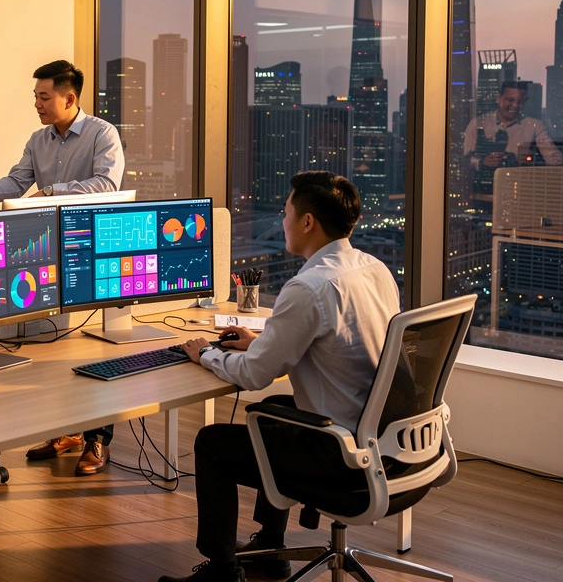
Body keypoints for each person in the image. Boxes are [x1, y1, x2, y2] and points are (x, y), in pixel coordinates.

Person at [158, 171, 401, 582]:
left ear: (307, 222)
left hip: (341, 454)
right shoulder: (373, 268)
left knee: (213, 443)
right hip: (383, 436)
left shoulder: (309, 286)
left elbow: (254, 375)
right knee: (271, 410)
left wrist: (205, 354)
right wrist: (262, 341)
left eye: (286, 212)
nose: (281, 220)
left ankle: (221, 574)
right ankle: (271, 546)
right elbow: (336, 341)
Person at [0, 60, 125, 475]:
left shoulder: (102, 134)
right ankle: (68, 429)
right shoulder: (37, 140)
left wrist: (52, 191)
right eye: (35, 97)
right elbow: (15, 184)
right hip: (48, 250)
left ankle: (98, 439)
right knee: (60, 347)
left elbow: (106, 185)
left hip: (91, 249)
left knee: (93, 347)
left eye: (44, 97)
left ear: (70, 98)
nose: (37, 104)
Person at [464, 81, 562, 194]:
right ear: (498, 98)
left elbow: (555, 157)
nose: (515, 105)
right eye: (510, 100)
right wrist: (483, 162)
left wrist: (533, 171)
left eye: (520, 102)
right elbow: (465, 160)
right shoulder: (478, 124)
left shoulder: (534, 125)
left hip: (521, 191)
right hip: (484, 191)